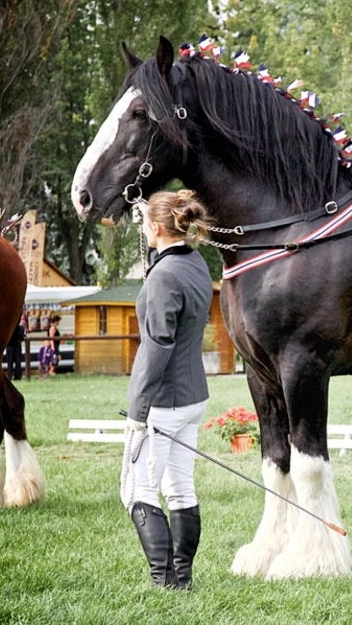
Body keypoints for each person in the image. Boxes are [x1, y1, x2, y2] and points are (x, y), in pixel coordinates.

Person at [120, 190, 213, 590]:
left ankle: (165, 580)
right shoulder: (195, 263)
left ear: (156, 228)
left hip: (165, 401)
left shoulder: (163, 276)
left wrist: (138, 411)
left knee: (137, 489)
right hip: (194, 396)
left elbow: (157, 347)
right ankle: (183, 579)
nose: (142, 228)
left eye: (145, 224)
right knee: (180, 485)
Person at [6, 313, 26, 380]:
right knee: (18, 361)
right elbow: (22, 337)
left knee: (10, 362)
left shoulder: (9, 328)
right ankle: (17, 376)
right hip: (17, 345)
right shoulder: (20, 328)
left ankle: (10, 375)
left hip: (9, 346)